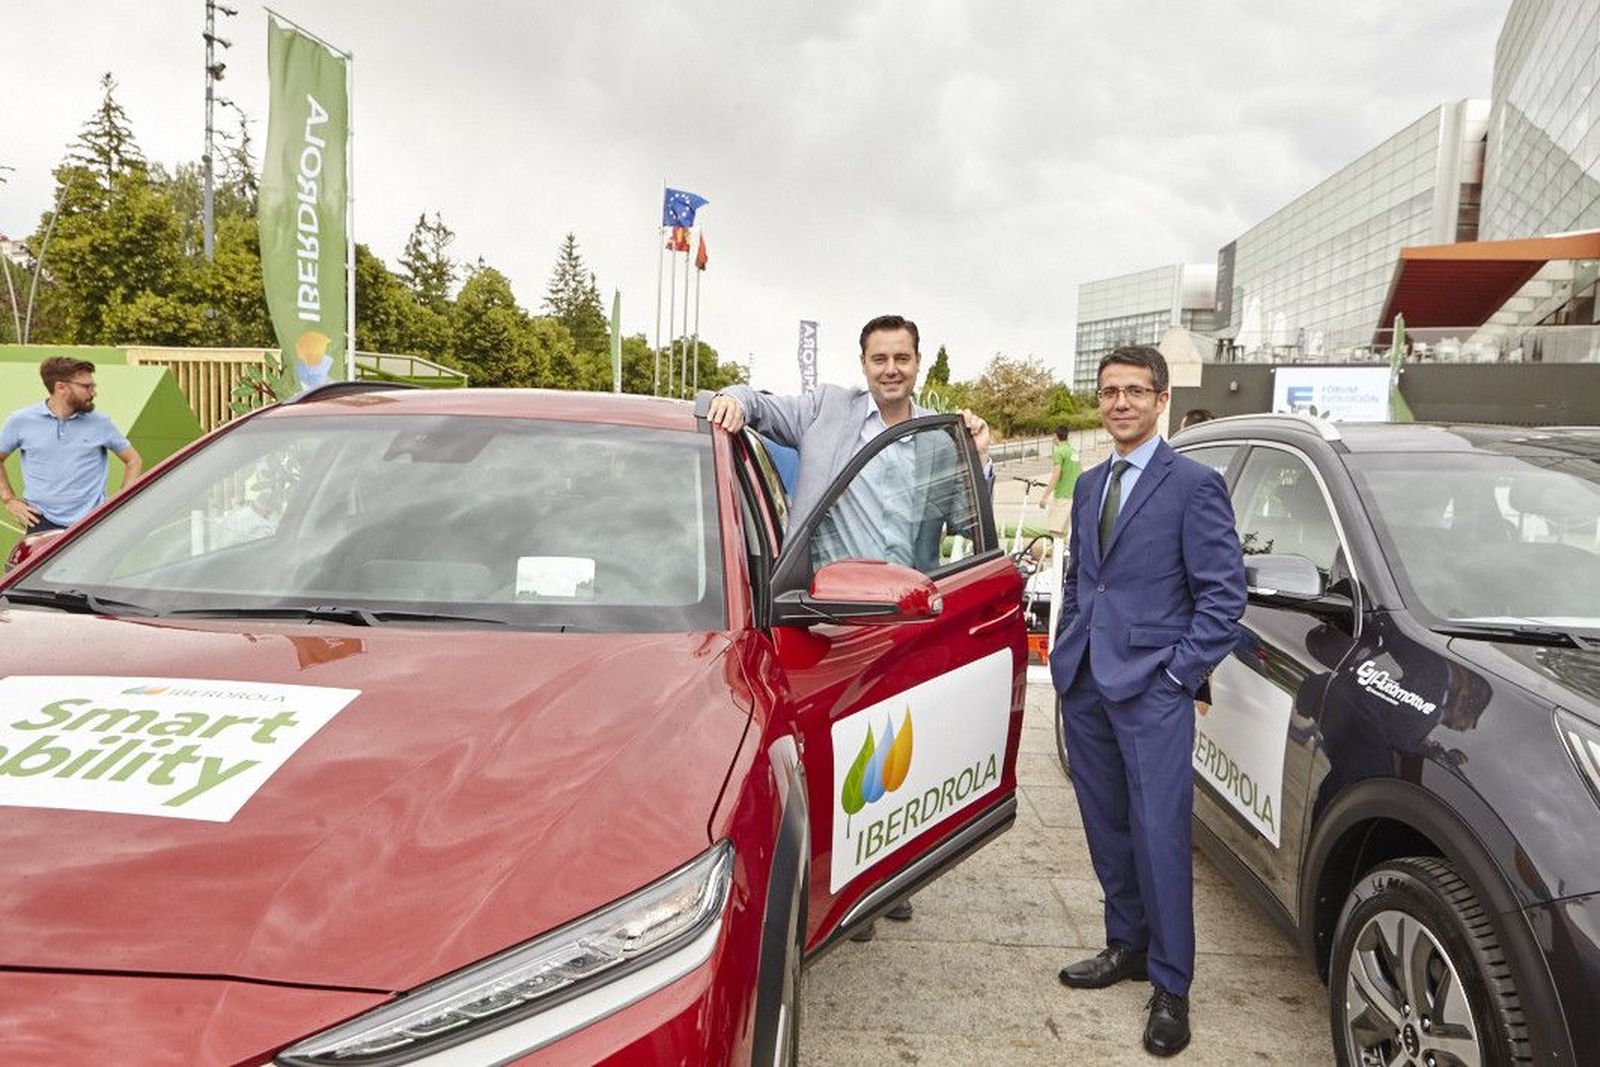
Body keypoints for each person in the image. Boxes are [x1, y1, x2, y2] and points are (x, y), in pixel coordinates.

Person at [707, 313, 992, 941]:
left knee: (905, 742)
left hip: (905, 616)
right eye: (879, 358)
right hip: (830, 617)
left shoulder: (936, 436)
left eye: (902, 358)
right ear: (862, 364)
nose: (891, 369)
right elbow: (762, 407)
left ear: (919, 363)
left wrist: (979, 456)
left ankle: (890, 873)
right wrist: (730, 399)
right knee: (835, 746)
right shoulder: (826, 411)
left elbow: (967, 518)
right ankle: (844, 883)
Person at [1049, 345, 1245, 1057]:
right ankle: (1125, 945)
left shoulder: (1193, 484)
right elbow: (1081, 578)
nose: (1121, 402)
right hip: (1088, 683)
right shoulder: (1089, 482)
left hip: (1154, 689)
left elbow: (1224, 598)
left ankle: (1171, 983)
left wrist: (1177, 676)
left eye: (1135, 391)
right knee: (1107, 828)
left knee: (1160, 833)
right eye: (1109, 392)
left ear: (1161, 399)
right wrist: (1071, 639)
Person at [0, 357, 142, 535]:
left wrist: (122, 502)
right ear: (61, 387)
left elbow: (133, 460)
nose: (93, 392)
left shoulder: (101, 423)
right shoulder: (20, 421)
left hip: (93, 522)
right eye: (86, 386)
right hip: (41, 523)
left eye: (93, 386)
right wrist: (9, 500)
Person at [1040, 424, 1079, 541]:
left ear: (1056, 436)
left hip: (1062, 495)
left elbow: (1056, 475)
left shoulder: (1059, 452)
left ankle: (1057, 558)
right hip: (1073, 495)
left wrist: (1044, 497)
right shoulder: (1073, 451)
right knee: (1063, 533)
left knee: (1055, 531)